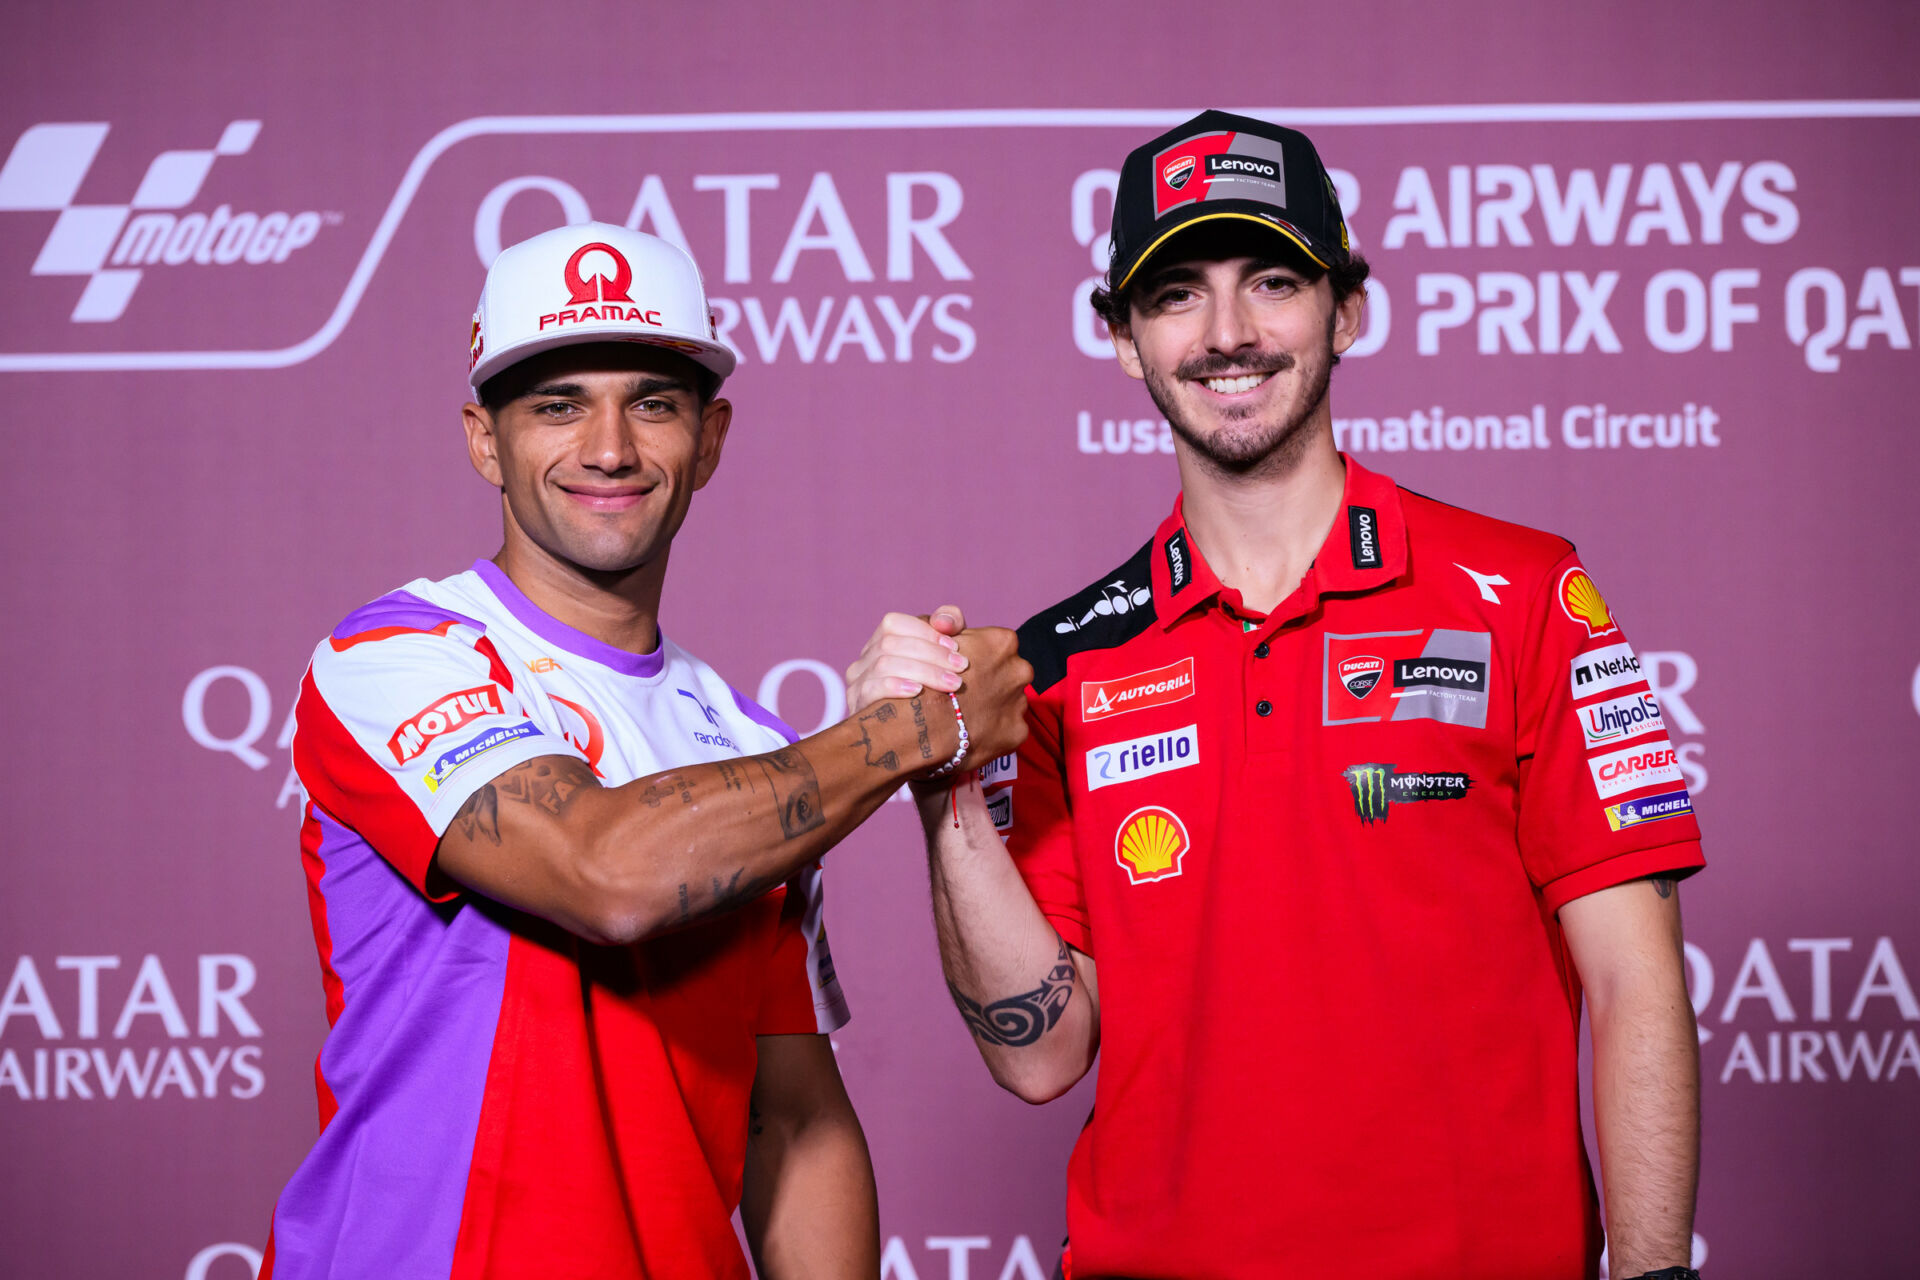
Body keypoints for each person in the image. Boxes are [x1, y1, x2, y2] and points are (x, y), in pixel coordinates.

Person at [848, 112, 1705, 1280]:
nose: (1229, 334)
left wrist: (1657, 1273)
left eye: (1272, 280)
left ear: (1346, 310)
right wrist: (942, 779)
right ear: (1122, 339)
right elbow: (1042, 1053)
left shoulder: (1525, 589)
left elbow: (1635, 974)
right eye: (1177, 295)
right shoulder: (1055, 665)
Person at [264, 222, 1031, 1279]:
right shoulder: (396, 656)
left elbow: (793, 1120)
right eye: (557, 404)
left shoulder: (752, 744)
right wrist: (913, 730)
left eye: (653, 403)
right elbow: (605, 871)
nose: (611, 447)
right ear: (484, 439)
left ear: (710, 440)